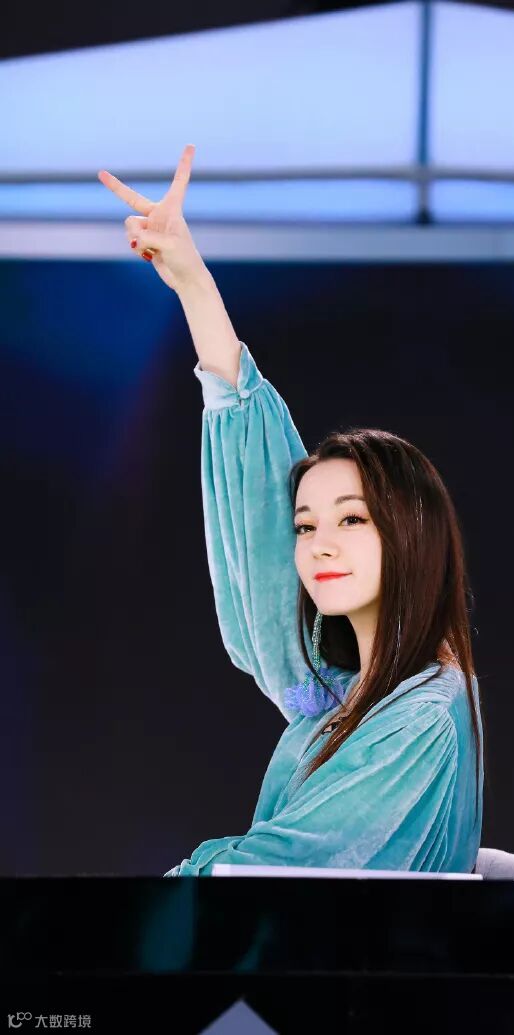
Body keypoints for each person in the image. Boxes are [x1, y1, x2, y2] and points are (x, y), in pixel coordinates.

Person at [98, 145, 485, 877]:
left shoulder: (420, 716)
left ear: (412, 533)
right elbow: (256, 486)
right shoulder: (343, 694)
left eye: (352, 519)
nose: (316, 545)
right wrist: (192, 281)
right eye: (305, 525)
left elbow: (282, 873)